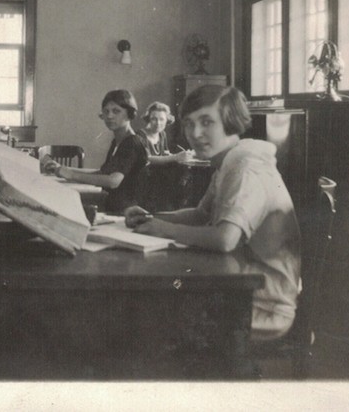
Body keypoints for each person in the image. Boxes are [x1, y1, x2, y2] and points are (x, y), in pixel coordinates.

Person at [125, 85, 301, 341]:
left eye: (207, 122)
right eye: (188, 124)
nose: (195, 134)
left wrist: (163, 229)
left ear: (231, 122)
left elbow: (225, 239)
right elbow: (199, 214)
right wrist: (153, 217)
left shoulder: (246, 168)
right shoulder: (228, 161)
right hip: (239, 290)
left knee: (150, 316)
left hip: (262, 306)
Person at [43, 89, 148, 214]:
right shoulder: (118, 141)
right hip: (113, 204)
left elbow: (112, 181)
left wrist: (70, 175)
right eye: (106, 111)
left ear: (130, 114)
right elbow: (103, 173)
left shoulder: (132, 143)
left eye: (116, 111)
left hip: (128, 211)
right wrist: (63, 169)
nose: (109, 116)